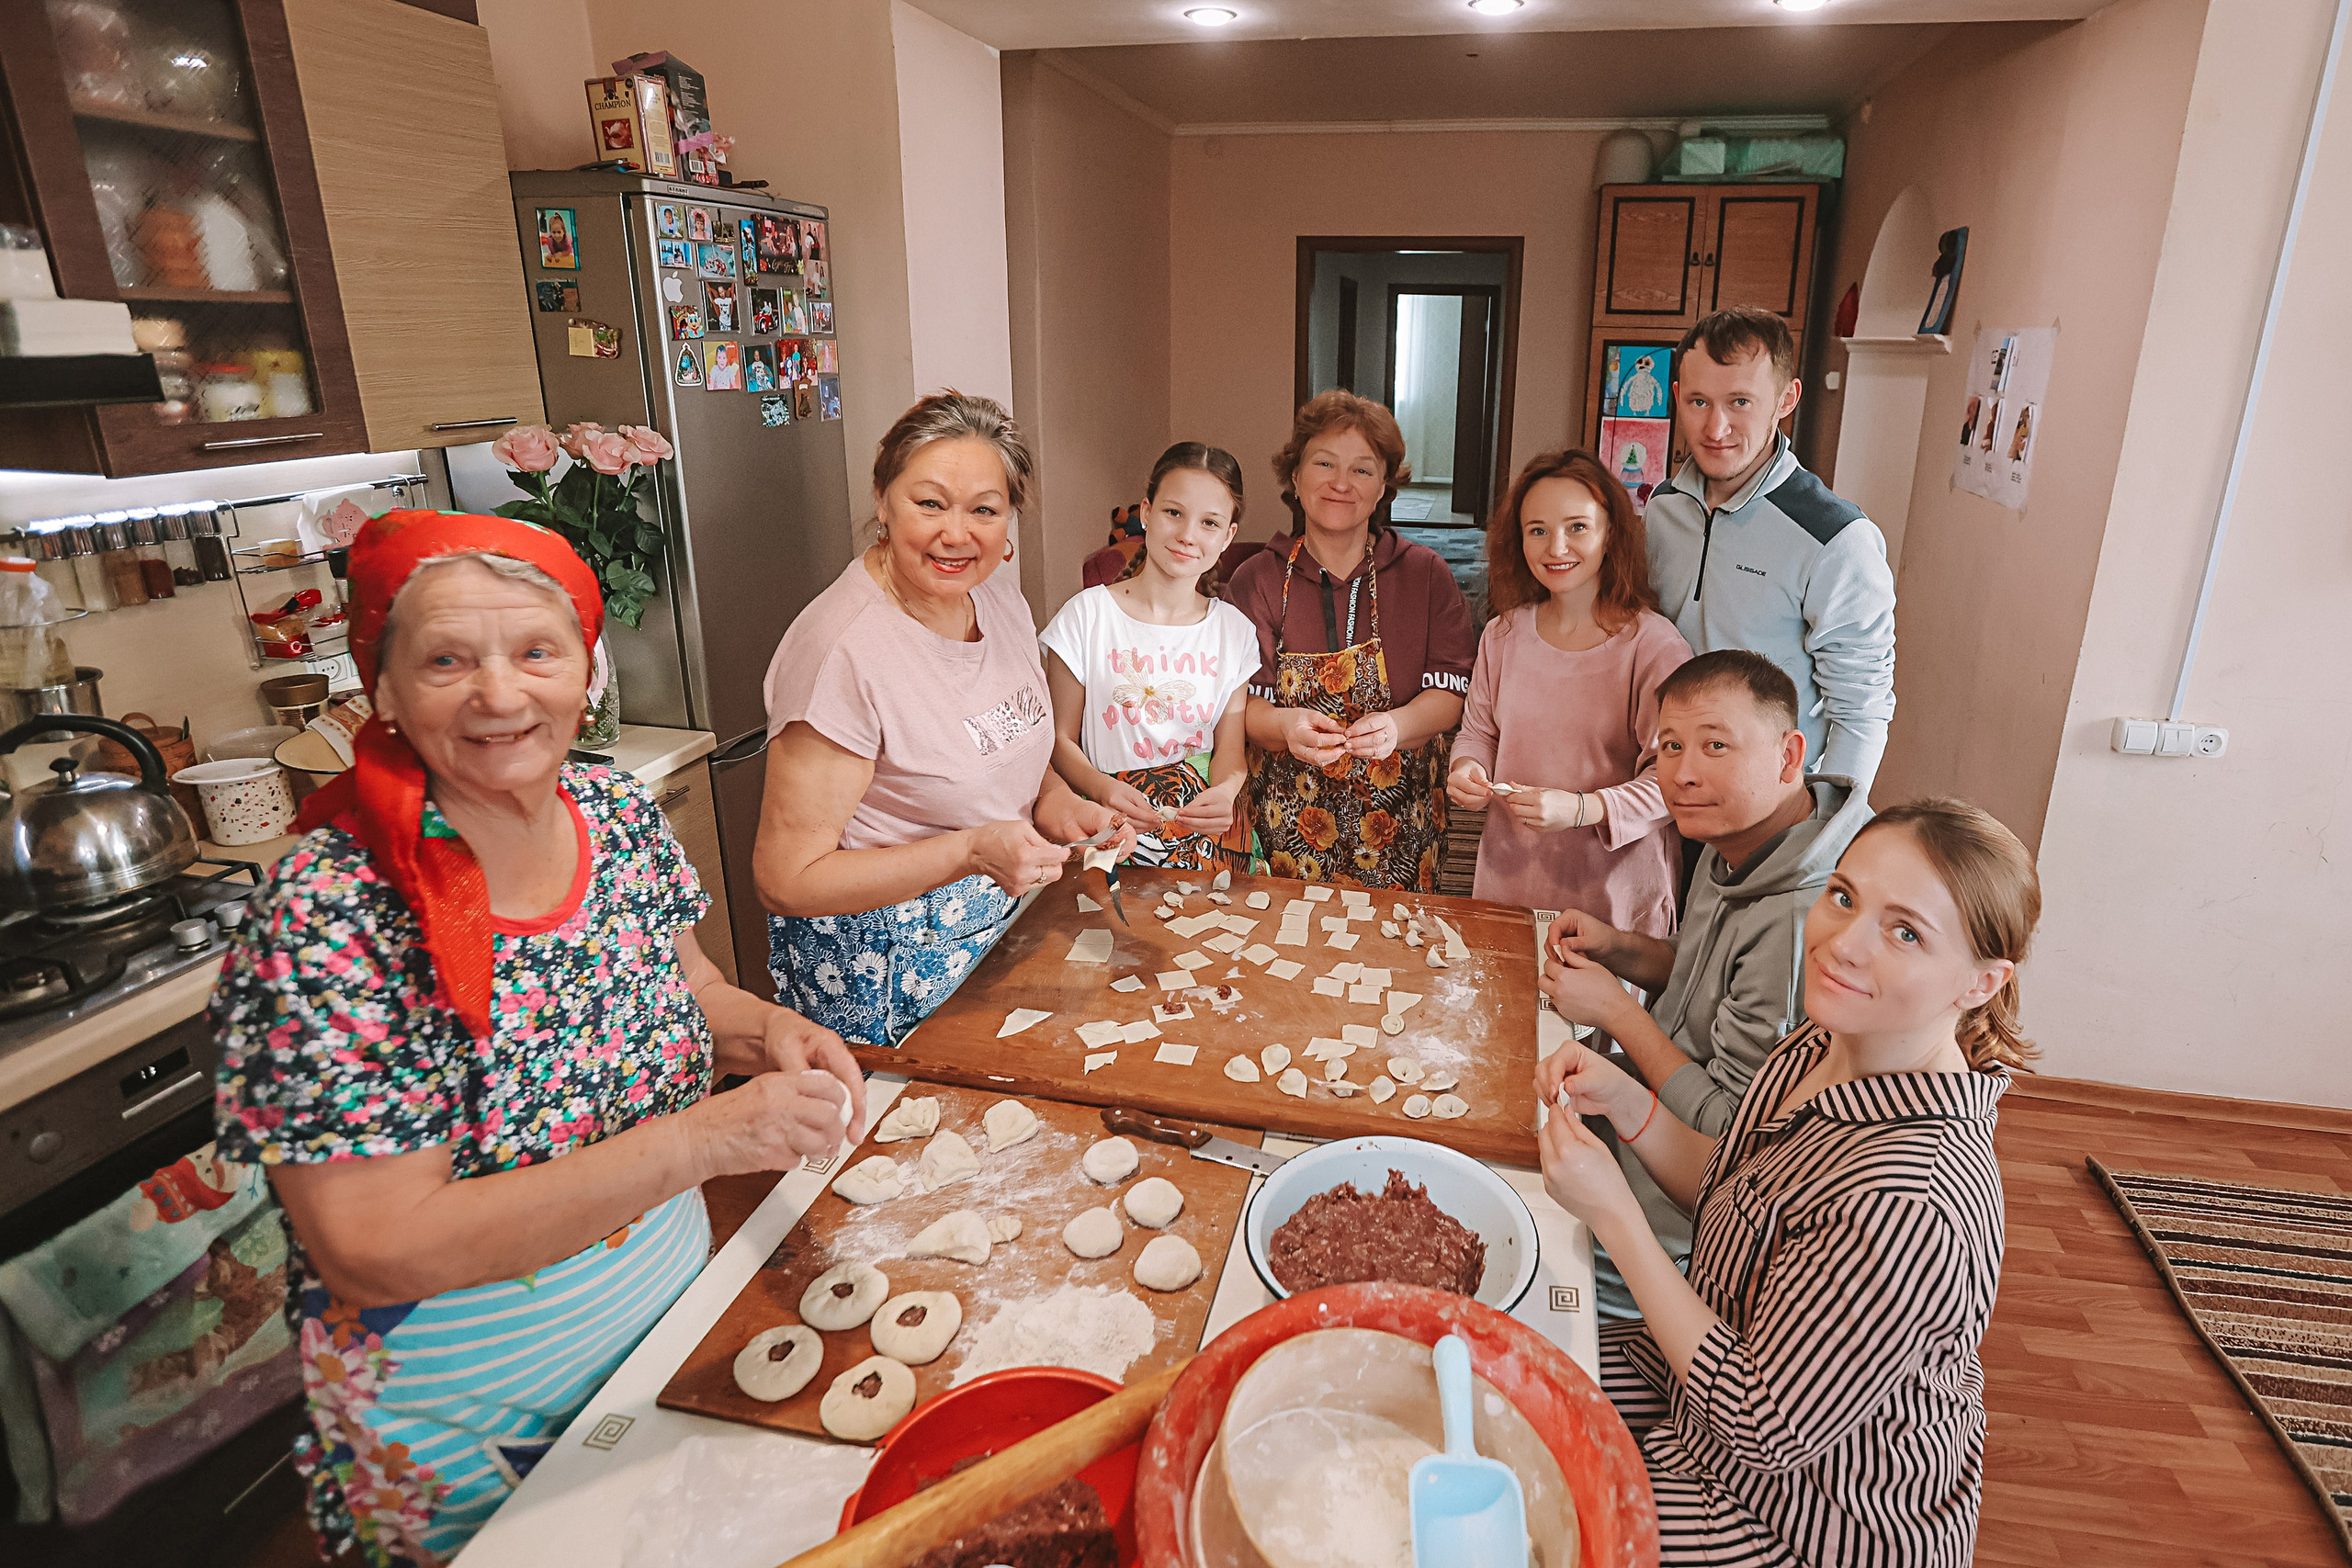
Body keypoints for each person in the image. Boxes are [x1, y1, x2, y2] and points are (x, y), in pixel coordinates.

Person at [210, 512, 867, 1567]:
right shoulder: (330, 913)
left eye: (535, 652)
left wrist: (772, 1028)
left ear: (585, 674)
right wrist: (701, 1144)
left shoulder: (615, 813)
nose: (501, 695)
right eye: (445, 660)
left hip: (660, 1330)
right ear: (379, 689)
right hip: (468, 1426)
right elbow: (373, 1249)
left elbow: (686, 987)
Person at [1535, 796, 2035, 1565]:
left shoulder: (1910, 1202)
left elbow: (1761, 1422)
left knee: (1537, 1523)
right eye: (1843, 896)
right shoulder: (1825, 1042)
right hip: (1697, 1395)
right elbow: (1737, 1191)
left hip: (1801, 1516)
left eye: (1905, 932)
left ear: (1980, 981)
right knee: (1516, 1378)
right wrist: (1630, 1104)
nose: (1844, 944)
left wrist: (1615, 1216)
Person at [755, 391, 1133, 1043]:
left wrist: (1059, 803)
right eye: (929, 503)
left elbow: (998, 745)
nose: (957, 534)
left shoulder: (996, 598)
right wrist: (968, 850)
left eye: (984, 510)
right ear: (882, 498)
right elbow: (786, 878)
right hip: (885, 981)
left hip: (994, 938)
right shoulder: (841, 653)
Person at [1539, 649, 1871, 1314]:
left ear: (1788, 754)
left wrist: (1617, 1013)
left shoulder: (1801, 916)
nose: (1684, 775)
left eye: (1716, 745)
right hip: (1620, 1131)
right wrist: (1623, 950)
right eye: (1669, 746)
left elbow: (1730, 1129)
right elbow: (1701, 977)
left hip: (1673, 1230)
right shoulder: (1747, 838)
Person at [1227, 390, 1476, 889]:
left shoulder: (1426, 575)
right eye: (1324, 463)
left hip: (1401, 827)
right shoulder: (1254, 579)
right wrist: (1286, 724)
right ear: (1295, 477)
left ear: (1385, 486)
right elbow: (1240, 707)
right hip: (1284, 829)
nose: (1341, 483)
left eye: (1363, 469)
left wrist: (1397, 725)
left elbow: (1450, 694)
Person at [1645, 306, 1897, 789]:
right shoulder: (1663, 508)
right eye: (1698, 402)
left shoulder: (1836, 538)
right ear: (1676, 396)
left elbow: (1861, 709)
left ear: (1787, 399)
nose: (1715, 429)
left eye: (1740, 402)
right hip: (1662, 782)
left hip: (1767, 803)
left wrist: (1826, 828)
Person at [1447, 449, 1689, 933]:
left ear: (1610, 533)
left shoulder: (1654, 645)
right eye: (1537, 530)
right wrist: (1467, 769)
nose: (1556, 547)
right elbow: (1478, 734)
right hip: (1511, 876)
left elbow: (1676, 781)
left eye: (1577, 527)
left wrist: (1582, 809)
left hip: (1613, 894)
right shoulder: (1502, 634)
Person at [1040, 443, 1259, 873]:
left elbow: (1230, 751)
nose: (1187, 535)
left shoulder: (1234, 632)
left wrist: (1228, 790)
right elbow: (1058, 741)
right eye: (1173, 513)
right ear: (1146, 511)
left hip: (1204, 841)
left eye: (1209, 522)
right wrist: (1101, 789)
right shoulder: (1086, 616)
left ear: (1228, 535)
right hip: (1106, 826)